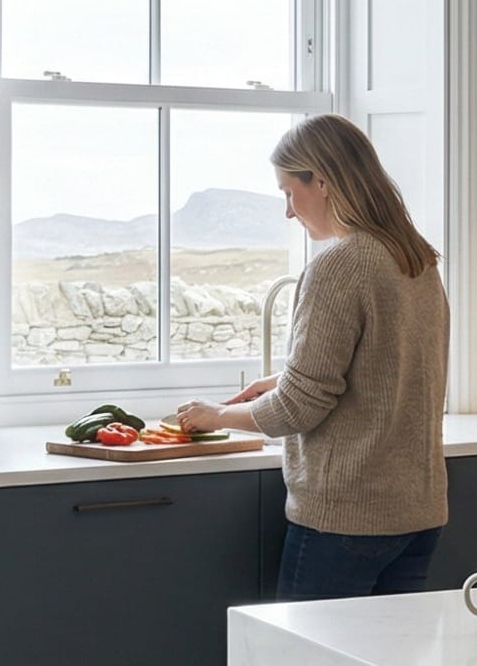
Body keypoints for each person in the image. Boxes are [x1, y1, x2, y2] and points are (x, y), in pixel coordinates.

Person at [178, 114, 448, 601]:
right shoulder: (416, 257)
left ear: (321, 180)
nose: (288, 211)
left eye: (288, 192)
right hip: (417, 515)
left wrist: (217, 415)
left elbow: (296, 410)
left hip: (346, 519)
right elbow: (391, 364)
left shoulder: (339, 265)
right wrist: (285, 378)